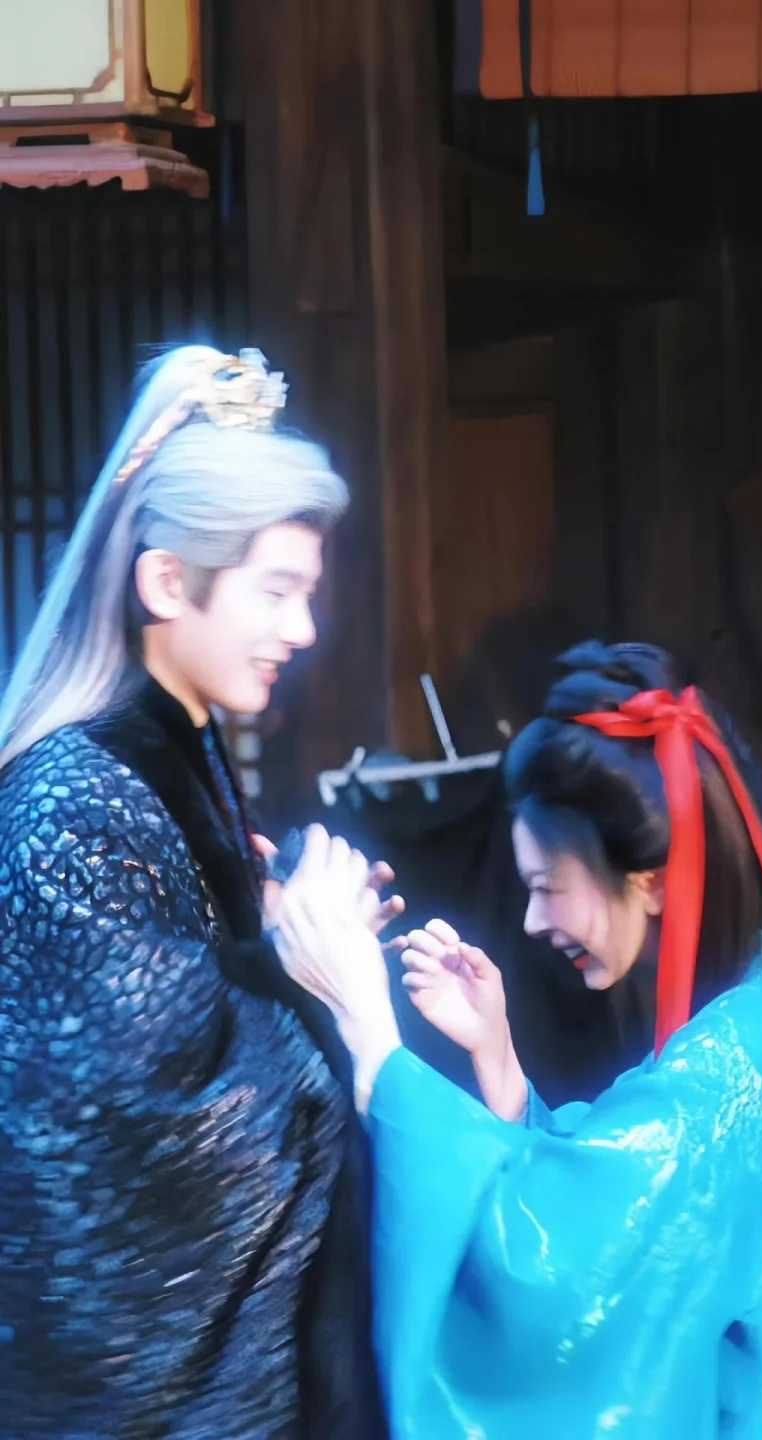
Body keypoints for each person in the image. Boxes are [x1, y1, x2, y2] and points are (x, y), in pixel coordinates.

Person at [274, 642, 762, 1439]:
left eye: (548, 888)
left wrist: (369, 1033)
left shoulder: (727, 1081)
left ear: (653, 880)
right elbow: (608, 1197)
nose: (532, 921)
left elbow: (558, 1292)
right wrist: (496, 1057)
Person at [0, 346, 390, 1437]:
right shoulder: (70, 797)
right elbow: (139, 1134)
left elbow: (186, 997)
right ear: (168, 583)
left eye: (307, 594)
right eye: (277, 592)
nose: (302, 629)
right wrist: (309, 970)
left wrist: (286, 931)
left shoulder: (180, 746)